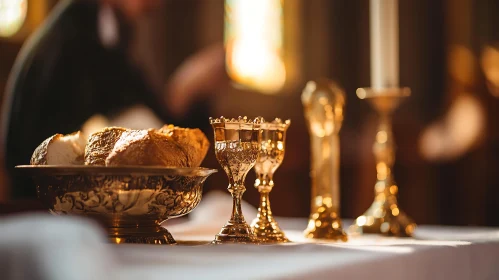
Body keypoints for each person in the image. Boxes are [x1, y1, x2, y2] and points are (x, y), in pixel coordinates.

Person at [0, 0, 228, 199]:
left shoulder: (103, 30)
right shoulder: (76, 34)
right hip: (40, 200)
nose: (156, 4)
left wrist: (187, 91)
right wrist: (184, 88)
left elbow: (142, 106)